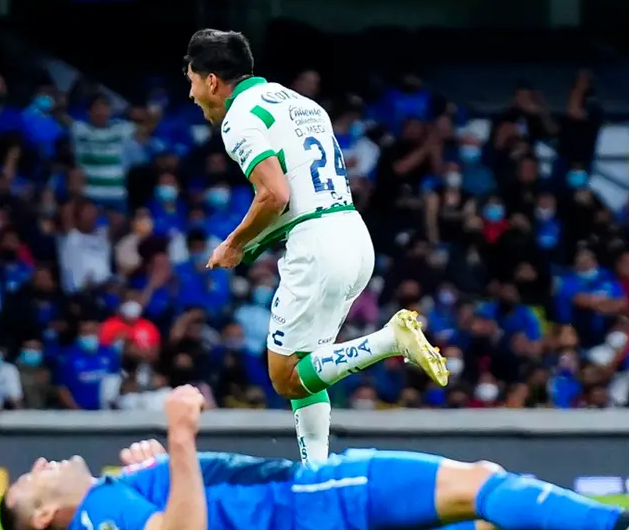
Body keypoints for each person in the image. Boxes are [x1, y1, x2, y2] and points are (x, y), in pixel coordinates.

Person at [0, 385, 629, 530]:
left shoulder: (107, 503)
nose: (40, 463)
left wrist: (164, 465)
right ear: (42, 516)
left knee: (478, 500)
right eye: (31, 481)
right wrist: (182, 439)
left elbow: (176, 511)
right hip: (310, 500)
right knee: (481, 485)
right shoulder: (100, 521)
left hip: (307, 516)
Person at [182, 28, 449, 465]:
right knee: (310, 367)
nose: (192, 94)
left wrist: (234, 242)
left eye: (192, 81)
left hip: (318, 248)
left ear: (212, 80)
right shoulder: (297, 102)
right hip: (352, 234)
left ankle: (389, 340)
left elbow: (275, 194)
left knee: (285, 377)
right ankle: (317, 473)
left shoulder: (240, 118)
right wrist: (251, 246)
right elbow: (299, 194)